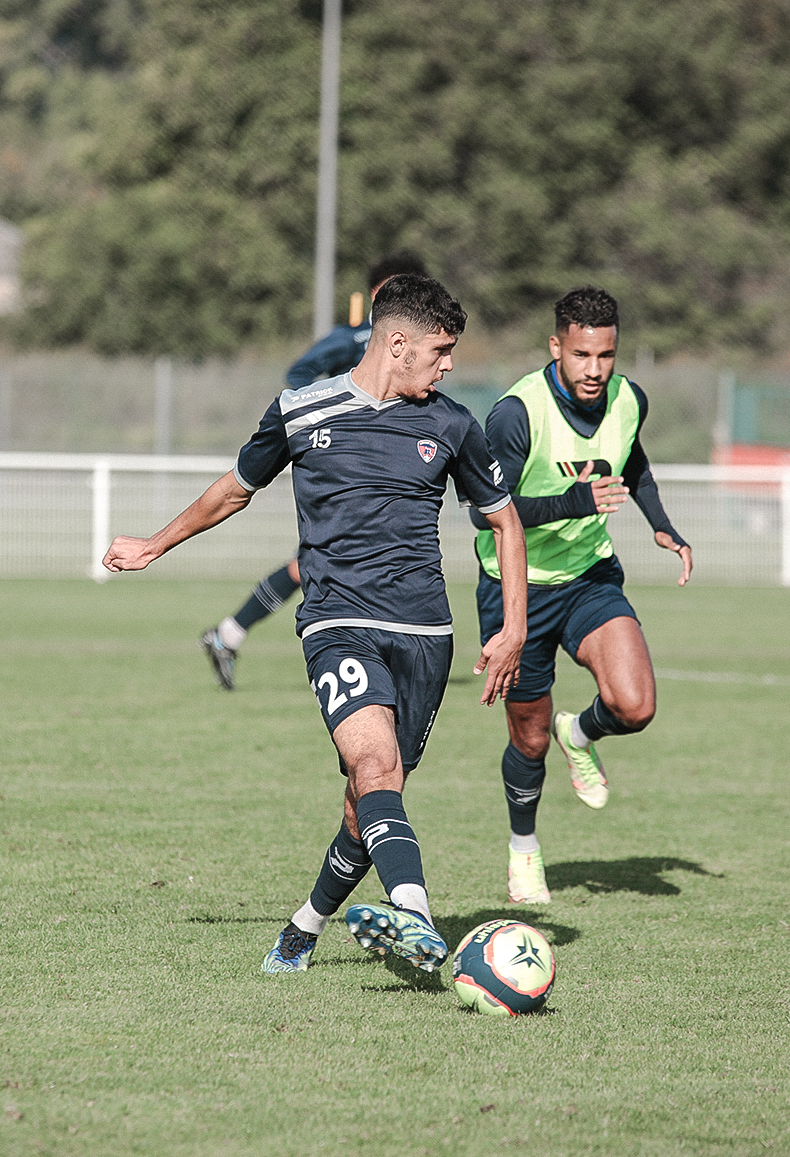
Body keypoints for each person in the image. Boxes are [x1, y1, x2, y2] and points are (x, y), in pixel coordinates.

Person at [104, 274, 528, 974]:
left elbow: (506, 523)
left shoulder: (453, 425)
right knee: (375, 765)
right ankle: (416, 916)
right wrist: (154, 544)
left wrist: (513, 628)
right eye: (441, 350)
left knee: (369, 804)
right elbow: (234, 490)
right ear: (399, 343)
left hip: (426, 636)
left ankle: (304, 926)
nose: (450, 365)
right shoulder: (302, 410)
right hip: (337, 622)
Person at [470, 286, 691, 905]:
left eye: (606, 355)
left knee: (635, 706)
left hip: (590, 576)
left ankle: (582, 733)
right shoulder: (517, 413)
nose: (595, 369)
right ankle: (524, 850)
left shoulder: (629, 400)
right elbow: (484, 512)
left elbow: (631, 459)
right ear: (556, 347)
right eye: (582, 355)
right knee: (529, 738)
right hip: (517, 590)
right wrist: (574, 501)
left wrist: (661, 523)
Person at [199, 252, 432, 690]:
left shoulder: (418, 347)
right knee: (314, 563)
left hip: (385, 470)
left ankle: (229, 634)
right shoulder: (354, 338)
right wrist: (331, 411)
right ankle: (233, 634)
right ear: (376, 294)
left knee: (311, 564)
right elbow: (299, 372)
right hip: (342, 470)